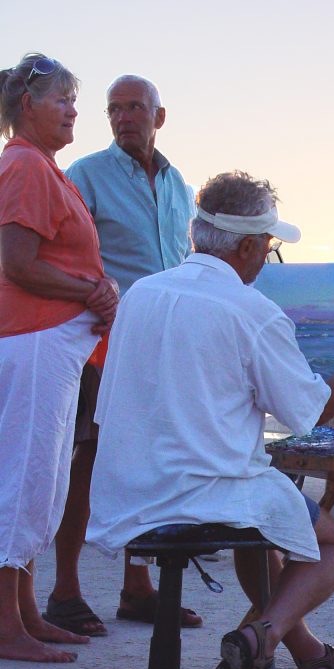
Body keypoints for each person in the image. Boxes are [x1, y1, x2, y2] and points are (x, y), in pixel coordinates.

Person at [86, 172, 334, 669]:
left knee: (267, 523)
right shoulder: (252, 312)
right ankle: (260, 636)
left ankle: (312, 658)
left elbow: (110, 403)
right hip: (202, 495)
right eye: (269, 247)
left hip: (125, 490)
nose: (266, 258)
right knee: (333, 543)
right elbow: (309, 413)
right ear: (248, 246)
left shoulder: (140, 295)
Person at [42, 74, 197, 638]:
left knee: (146, 461)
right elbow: (60, 249)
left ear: (160, 116)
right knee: (85, 460)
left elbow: (182, 258)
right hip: (101, 341)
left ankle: (137, 588)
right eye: (114, 109)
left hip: (163, 342)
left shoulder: (179, 184)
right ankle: (65, 590)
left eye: (136, 108)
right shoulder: (85, 174)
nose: (125, 117)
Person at [0, 53, 119, 663]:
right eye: (62, 100)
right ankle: (7, 627)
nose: (74, 109)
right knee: (26, 477)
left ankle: (25, 613)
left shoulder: (44, 166)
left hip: (53, 342)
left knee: (44, 478)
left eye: (75, 99)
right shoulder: (24, 165)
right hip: (37, 338)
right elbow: (16, 263)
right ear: (28, 106)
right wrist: (92, 291)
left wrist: (90, 290)